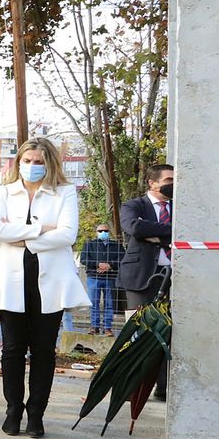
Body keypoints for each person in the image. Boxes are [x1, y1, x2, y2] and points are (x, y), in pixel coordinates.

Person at [0, 140, 90, 437]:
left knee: (44, 350)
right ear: (18, 161)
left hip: (51, 281)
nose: (32, 166)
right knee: (12, 349)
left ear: (50, 164)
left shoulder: (64, 192)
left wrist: (23, 238)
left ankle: (36, 414)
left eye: (39, 161)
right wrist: (43, 229)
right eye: (27, 160)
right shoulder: (3, 192)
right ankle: (13, 410)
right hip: (11, 279)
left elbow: (67, 234)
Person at [120, 163, 174, 399]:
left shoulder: (183, 207)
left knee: (171, 335)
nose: (174, 185)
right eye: (169, 180)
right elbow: (135, 227)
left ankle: (164, 387)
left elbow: (191, 231)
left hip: (176, 277)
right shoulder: (133, 205)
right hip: (142, 278)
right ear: (153, 183)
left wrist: (156, 234)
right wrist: (172, 231)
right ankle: (134, 388)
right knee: (140, 333)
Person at [79, 221, 124, 334]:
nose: (103, 232)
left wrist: (109, 265)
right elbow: (84, 259)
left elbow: (123, 259)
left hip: (110, 277)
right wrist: (98, 264)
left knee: (109, 304)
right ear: (96, 232)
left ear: (109, 232)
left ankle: (107, 327)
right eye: (100, 231)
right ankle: (94, 327)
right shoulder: (89, 244)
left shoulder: (117, 245)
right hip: (93, 277)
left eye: (106, 231)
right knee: (94, 304)